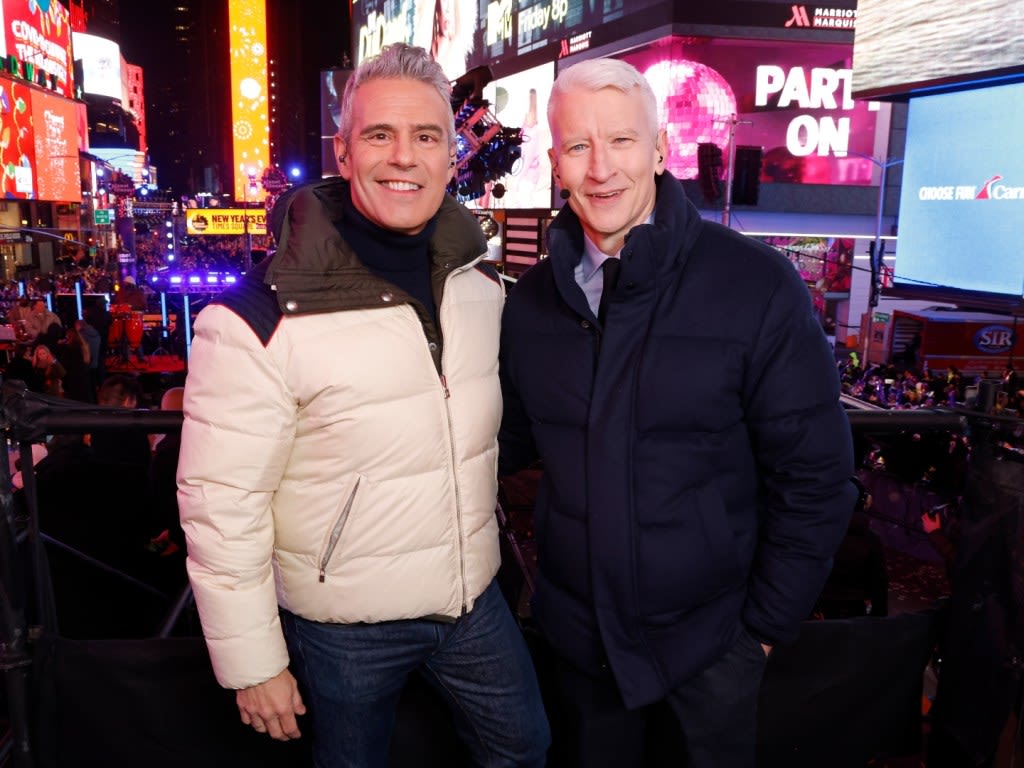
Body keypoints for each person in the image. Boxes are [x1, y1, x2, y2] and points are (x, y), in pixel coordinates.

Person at [177, 42, 549, 767]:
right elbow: (221, 503)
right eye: (380, 135)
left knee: (526, 748)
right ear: (344, 154)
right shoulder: (260, 317)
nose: (403, 157)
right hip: (344, 623)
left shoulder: (480, 290)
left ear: (450, 157)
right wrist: (254, 663)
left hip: (472, 599)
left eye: (425, 137)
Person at [498, 57, 856, 768]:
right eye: (578, 146)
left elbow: (816, 477)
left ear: (661, 150)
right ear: (554, 162)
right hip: (582, 649)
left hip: (712, 647)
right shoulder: (531, 302)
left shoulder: (755, 284)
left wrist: (759, 629)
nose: (601, 169)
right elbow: (497, 446)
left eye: (622, 142)